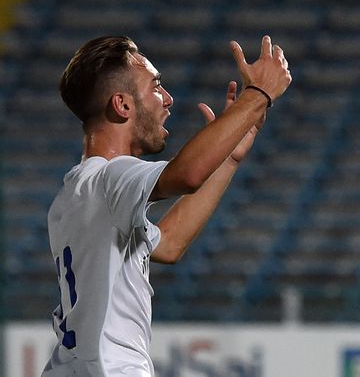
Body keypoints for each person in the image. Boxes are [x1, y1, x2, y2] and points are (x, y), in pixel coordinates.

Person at [41, 35, 291, 377]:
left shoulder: (75, 193)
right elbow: (187, 174)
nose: (168, 99)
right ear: (122, 105)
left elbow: (169, 244)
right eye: (156, 86)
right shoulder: (111, 178)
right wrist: (258, 94)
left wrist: (228, 159)